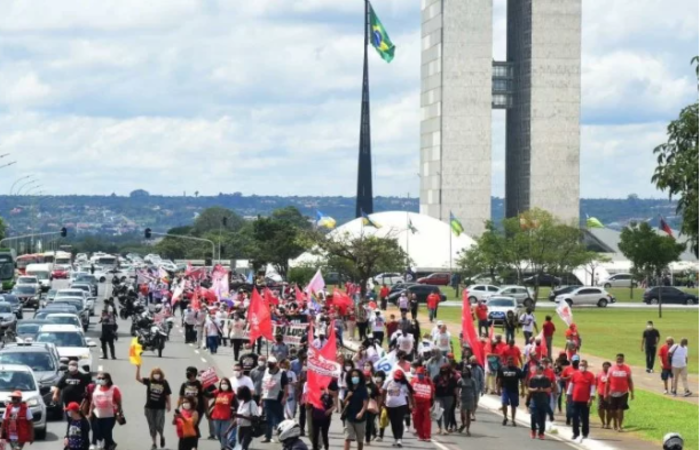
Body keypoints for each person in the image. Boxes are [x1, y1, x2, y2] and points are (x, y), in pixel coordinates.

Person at [136, 365, 172, 450]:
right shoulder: (149, 381)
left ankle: (162, 436)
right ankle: (154, 443)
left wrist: (169, 404)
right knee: (152, 426)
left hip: (160, 408)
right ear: (152, 374)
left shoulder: (164, 382)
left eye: (158, 373)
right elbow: (138, 378)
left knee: (159, 425)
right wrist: (138, 368)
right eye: (155, 373)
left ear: (161, 374)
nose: (156, 374)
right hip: (149, 407)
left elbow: (167, 395)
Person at [88, 372, 122, 450]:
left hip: (110, 415)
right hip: (98, 414)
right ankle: (109, 444)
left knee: (106, 431)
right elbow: (93, 402)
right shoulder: (96, 387)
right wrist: (90, 412)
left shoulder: (114, 388)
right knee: (98, 431)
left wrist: (118, 413)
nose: (100, 380)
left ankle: (109, 444)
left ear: (108, 379)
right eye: (98, 378)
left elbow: (118, 402)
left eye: (102, 378)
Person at [381, 370, 414, 448]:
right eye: (396, 377)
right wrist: (383, 401)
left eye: (398, 378)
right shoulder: (388, 382)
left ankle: (399, 439)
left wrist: (411, 404)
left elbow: (410, 394)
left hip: (401, 406)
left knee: (399, 422)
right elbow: (383, 391)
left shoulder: (404, 384)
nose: (397, 379)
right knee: (393, 423)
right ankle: (395, 438)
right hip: (389, 406)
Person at [261, 356, 289, 443]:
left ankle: (283, 436)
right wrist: (261, 398)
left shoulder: (282, 373)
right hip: (267, 398)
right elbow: (263, 385)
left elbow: (286, 386)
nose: (270, 366)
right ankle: (267, 436)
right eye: (269, 364)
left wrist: (284, 397)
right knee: (268, 418)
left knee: (280, 418)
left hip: (278, 398)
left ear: (276, 364)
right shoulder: (266, 371)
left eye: (271, 364)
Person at [568, 359, 595, 442]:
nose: (581, 366)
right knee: (575, 417)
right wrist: (568, 395)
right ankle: (575, 433)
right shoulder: (575, 374)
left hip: (585, 400)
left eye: (583, 365)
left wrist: (591, 398)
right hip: (575, 399)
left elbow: (592, 388)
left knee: (585, 418)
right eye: (580, 365)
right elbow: (571, 385)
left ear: (586, 366)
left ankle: (585, 433)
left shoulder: (590, 375)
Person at [605, 353, 634, 432]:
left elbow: (630, 381)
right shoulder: (611, 369)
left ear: (623, 360)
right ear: (616, 359)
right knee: (613, 410)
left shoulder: (627, 369)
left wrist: (632, 392)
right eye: (618, 359)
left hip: (623, 392)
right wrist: (605, 393)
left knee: (620, 409)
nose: (619, 360)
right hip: (612, 392)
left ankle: (619, 426)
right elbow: (608, 382)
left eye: (621, 359)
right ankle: (614, 422)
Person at [343, 369, 368, 450]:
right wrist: (347, 396)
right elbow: (343, 402)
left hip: (360, 418)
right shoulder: (348, 389)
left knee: (360, 440)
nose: (355, 378)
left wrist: (361, 413)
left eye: (356, 376)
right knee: (347, 438)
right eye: (353, 376)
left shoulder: (363, 389)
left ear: (360, 377)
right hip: (349, 417)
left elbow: (365, 404)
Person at [229, 385, 259, 450]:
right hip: (240, 428)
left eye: (239, 393)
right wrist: (228, 431)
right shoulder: (242, 403)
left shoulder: (252, 403)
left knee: (244, 447)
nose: (237, 395)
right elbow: (237, 419)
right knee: (240, 447)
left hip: (248, 428)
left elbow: (255, 418)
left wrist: (242, 416)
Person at [497, 356, 523, 427]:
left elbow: (522, 380)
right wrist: (498, 389)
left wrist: (523, 390)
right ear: (507, 361)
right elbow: (499, 380)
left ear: (513, 361)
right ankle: (505, 417)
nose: (510, 362)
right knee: (504, 403)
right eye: (509, 360)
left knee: (513, 405)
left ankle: (513, 419)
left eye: (511, 361)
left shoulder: (517, 370)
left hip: (514, 390)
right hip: (505, 389)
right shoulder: (503, 369)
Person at [210, 378, 236, 450]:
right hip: (216, 416)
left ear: (229, 385)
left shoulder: (232, 394)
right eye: (222, 383)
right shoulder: (217, 392)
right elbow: (208, 394)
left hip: (226, 417)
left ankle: (223, 448)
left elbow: (235, 405)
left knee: (223, 433)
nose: (223, 385)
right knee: (217, 433)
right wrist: (204, 386)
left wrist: (233, 412)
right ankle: (226, 445)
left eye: (225, 383)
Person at [527, 365, 552, 440]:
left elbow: (549, 389)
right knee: (534, 416)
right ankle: (533, 430)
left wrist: (542, 390)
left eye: (540, 370)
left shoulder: (546, 379)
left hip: (543, 400)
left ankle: (541, 433)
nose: (538, 371)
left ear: (542, 370)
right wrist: (534, 389)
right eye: (537, 370)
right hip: (534, 400)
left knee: (542, 416)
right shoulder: (532, 379)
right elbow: (529, 388)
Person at [179, 366, 206, 432]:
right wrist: (179, 406)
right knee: (187, 424)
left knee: (194, 424)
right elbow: (181, 397)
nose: (188, 375)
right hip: (187, 408)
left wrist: (205, 408)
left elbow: (204, 396)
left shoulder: (199, 384)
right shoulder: (184, 384)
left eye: (189, 373)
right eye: (187, 373)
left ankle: (194, 438)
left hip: (198, 408)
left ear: (194, 374)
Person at [310, 383, 336, 450]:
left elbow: (334, 405)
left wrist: (329, 411)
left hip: (325, 418)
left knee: (324, 434)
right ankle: (315, 448)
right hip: (315, 417)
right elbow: (308, 406)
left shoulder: (328, 394)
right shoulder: (313, 393)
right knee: (315, 435)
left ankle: (326, 447)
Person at [433, 364, 457, 435]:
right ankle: (439, 427)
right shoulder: (437, 377)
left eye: (445, 370)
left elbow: (455, 389)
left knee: (447, 413)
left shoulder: (452, 379)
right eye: (442, 370)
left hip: (449, 397)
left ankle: (445, 428)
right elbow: (433, 388)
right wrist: (433, 398)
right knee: (438, 412)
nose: (444, 371)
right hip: (438, 396)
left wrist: (457, 399)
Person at [458, 367, 478, 436]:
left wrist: (475, 401)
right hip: (462, 398)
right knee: (462, 414)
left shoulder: (472, 380)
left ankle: (467, 429)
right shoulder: (460, 380)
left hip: (470, 398)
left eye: (466, 371)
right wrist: (457, 399)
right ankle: (463, 424)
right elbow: (457, 389)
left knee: (468, 415)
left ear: (469, 372)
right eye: (463, 371)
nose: (465, 372)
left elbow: (475, 391)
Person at [595, 362, 612, 428]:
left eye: (608, 367)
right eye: (605, 366)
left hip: (610, 395)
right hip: (601, 394)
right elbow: (595, 383)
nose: (606, 368)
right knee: (600, 408)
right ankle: (603, 422)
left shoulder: (612, 375)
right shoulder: (599, 374)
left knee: (609, 410)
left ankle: (608, 423)